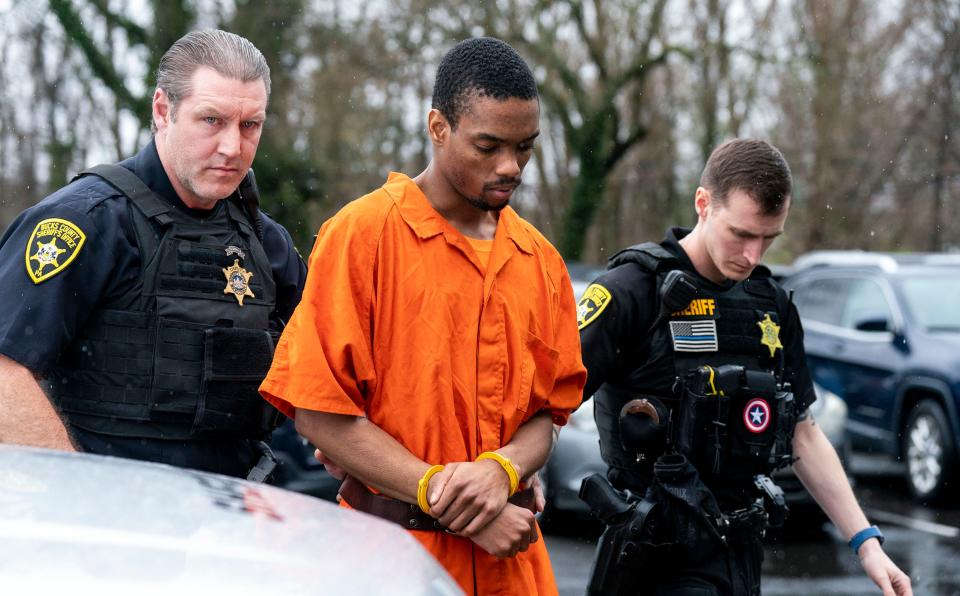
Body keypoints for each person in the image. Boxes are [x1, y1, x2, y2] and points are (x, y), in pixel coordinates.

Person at [259, 37, 586, 595]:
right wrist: (451, 497)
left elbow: (547, 417)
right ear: (438, 127)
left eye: (525, 148)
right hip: (387, 562)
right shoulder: (362, 236)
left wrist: (503, 470)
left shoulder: (541, 261)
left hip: (516, 568)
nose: (510, 166)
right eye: (488, 146)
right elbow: (318, 413)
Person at [578, 139, 912, 595]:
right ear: (703, 204)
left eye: (768, 239)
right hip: (650, 557)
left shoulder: (770, 305)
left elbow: (803, 432)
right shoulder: (631, 292)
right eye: (741, 234)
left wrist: (866, 543)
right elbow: (547, 404)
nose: (753, 255)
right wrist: (509, 480)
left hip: (739, 557)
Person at [0, 30, 306, 479]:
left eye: (249, 125)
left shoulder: (266, 242)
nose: (232, 148)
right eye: (211, 120)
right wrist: (78, 494)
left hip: (234, 518)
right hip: (115, 521)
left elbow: (322, 374)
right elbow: (6, 372)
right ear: (163, 110)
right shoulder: (86, 222)